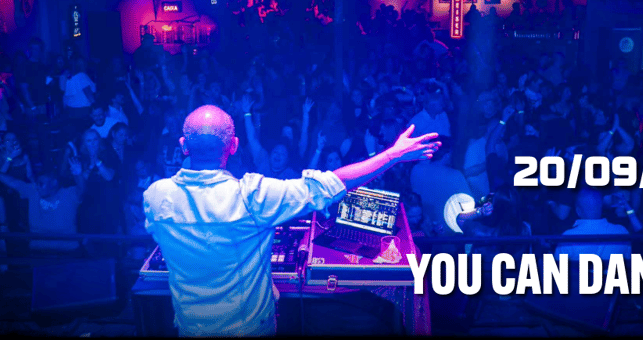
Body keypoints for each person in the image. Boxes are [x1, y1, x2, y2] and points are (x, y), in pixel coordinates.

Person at [143, 105, 440, 336]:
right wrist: (392, 155)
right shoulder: (252, 196)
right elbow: (331, 184)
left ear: (183, 145)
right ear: (233, 146)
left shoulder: (156, 197)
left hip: (191, 330)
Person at [554, 187, 631, 261]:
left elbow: (557, 265)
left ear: (578, 211)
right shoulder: (622, 232)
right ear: (601, 208)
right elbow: (628, 262)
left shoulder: (568, 237)